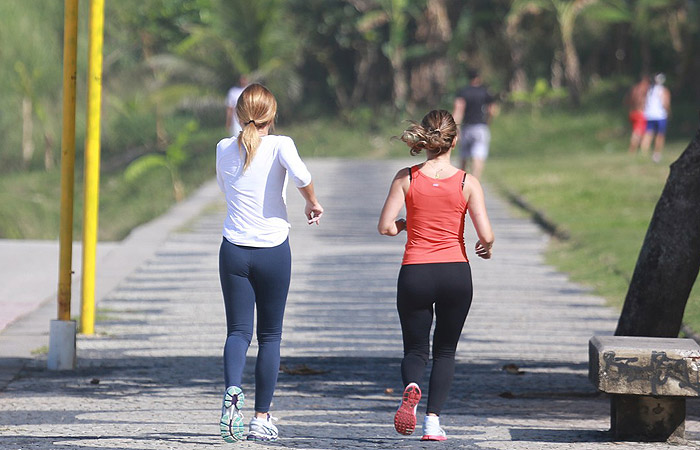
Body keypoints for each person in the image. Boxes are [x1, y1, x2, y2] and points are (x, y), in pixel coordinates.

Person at [216, 83, 323, 443]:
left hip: (233, 249)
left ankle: (232, 393)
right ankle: (262, 417)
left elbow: (225, 187)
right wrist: (312, 202)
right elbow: (303, 178)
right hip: (273, 249)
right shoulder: (281, 145)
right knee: (270, 335)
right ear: (272, 115)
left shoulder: (222, 148)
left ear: (238, 112)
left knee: (237, 332)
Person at [378, 110, 494, 441]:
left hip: (415, 272)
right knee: (445, 351)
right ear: (454, 141)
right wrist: (485, 246)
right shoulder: (466, 182)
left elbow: (385, 227)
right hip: (455, 272)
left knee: (415, 350)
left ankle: (411, 386)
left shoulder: (407, 178)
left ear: (424, 140)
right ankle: (432, 422)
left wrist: (404, 224)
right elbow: (486, 233)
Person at [452, 70, 497, 179]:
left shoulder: (463, 92)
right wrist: (488, 121)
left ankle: (461, 182)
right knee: (478, 156)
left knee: (463, 156)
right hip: (481, 127)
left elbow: (458, 110)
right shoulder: (485, 92)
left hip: (466, 127)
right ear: (479, 78)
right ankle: (475, 181)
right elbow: (492, 110)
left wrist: (455, 127)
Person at [640, 73, 671, 163]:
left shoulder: (649, 90)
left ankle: (643, 153)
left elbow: (644, 102)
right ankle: (656, 153)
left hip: (649, 115)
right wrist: (668, 112)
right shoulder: (663, 90)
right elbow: (665, 103)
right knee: (660, 135)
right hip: (660, 115)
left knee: (648, 134)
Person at [625, 75, 649, 155]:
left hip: (632, 112)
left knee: (640, 132)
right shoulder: (643, 89)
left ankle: (640, 150)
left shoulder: (634, 89)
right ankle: (632, 151)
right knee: (637, 133)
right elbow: (641, 100)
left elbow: (626, 100)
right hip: (640, 113)